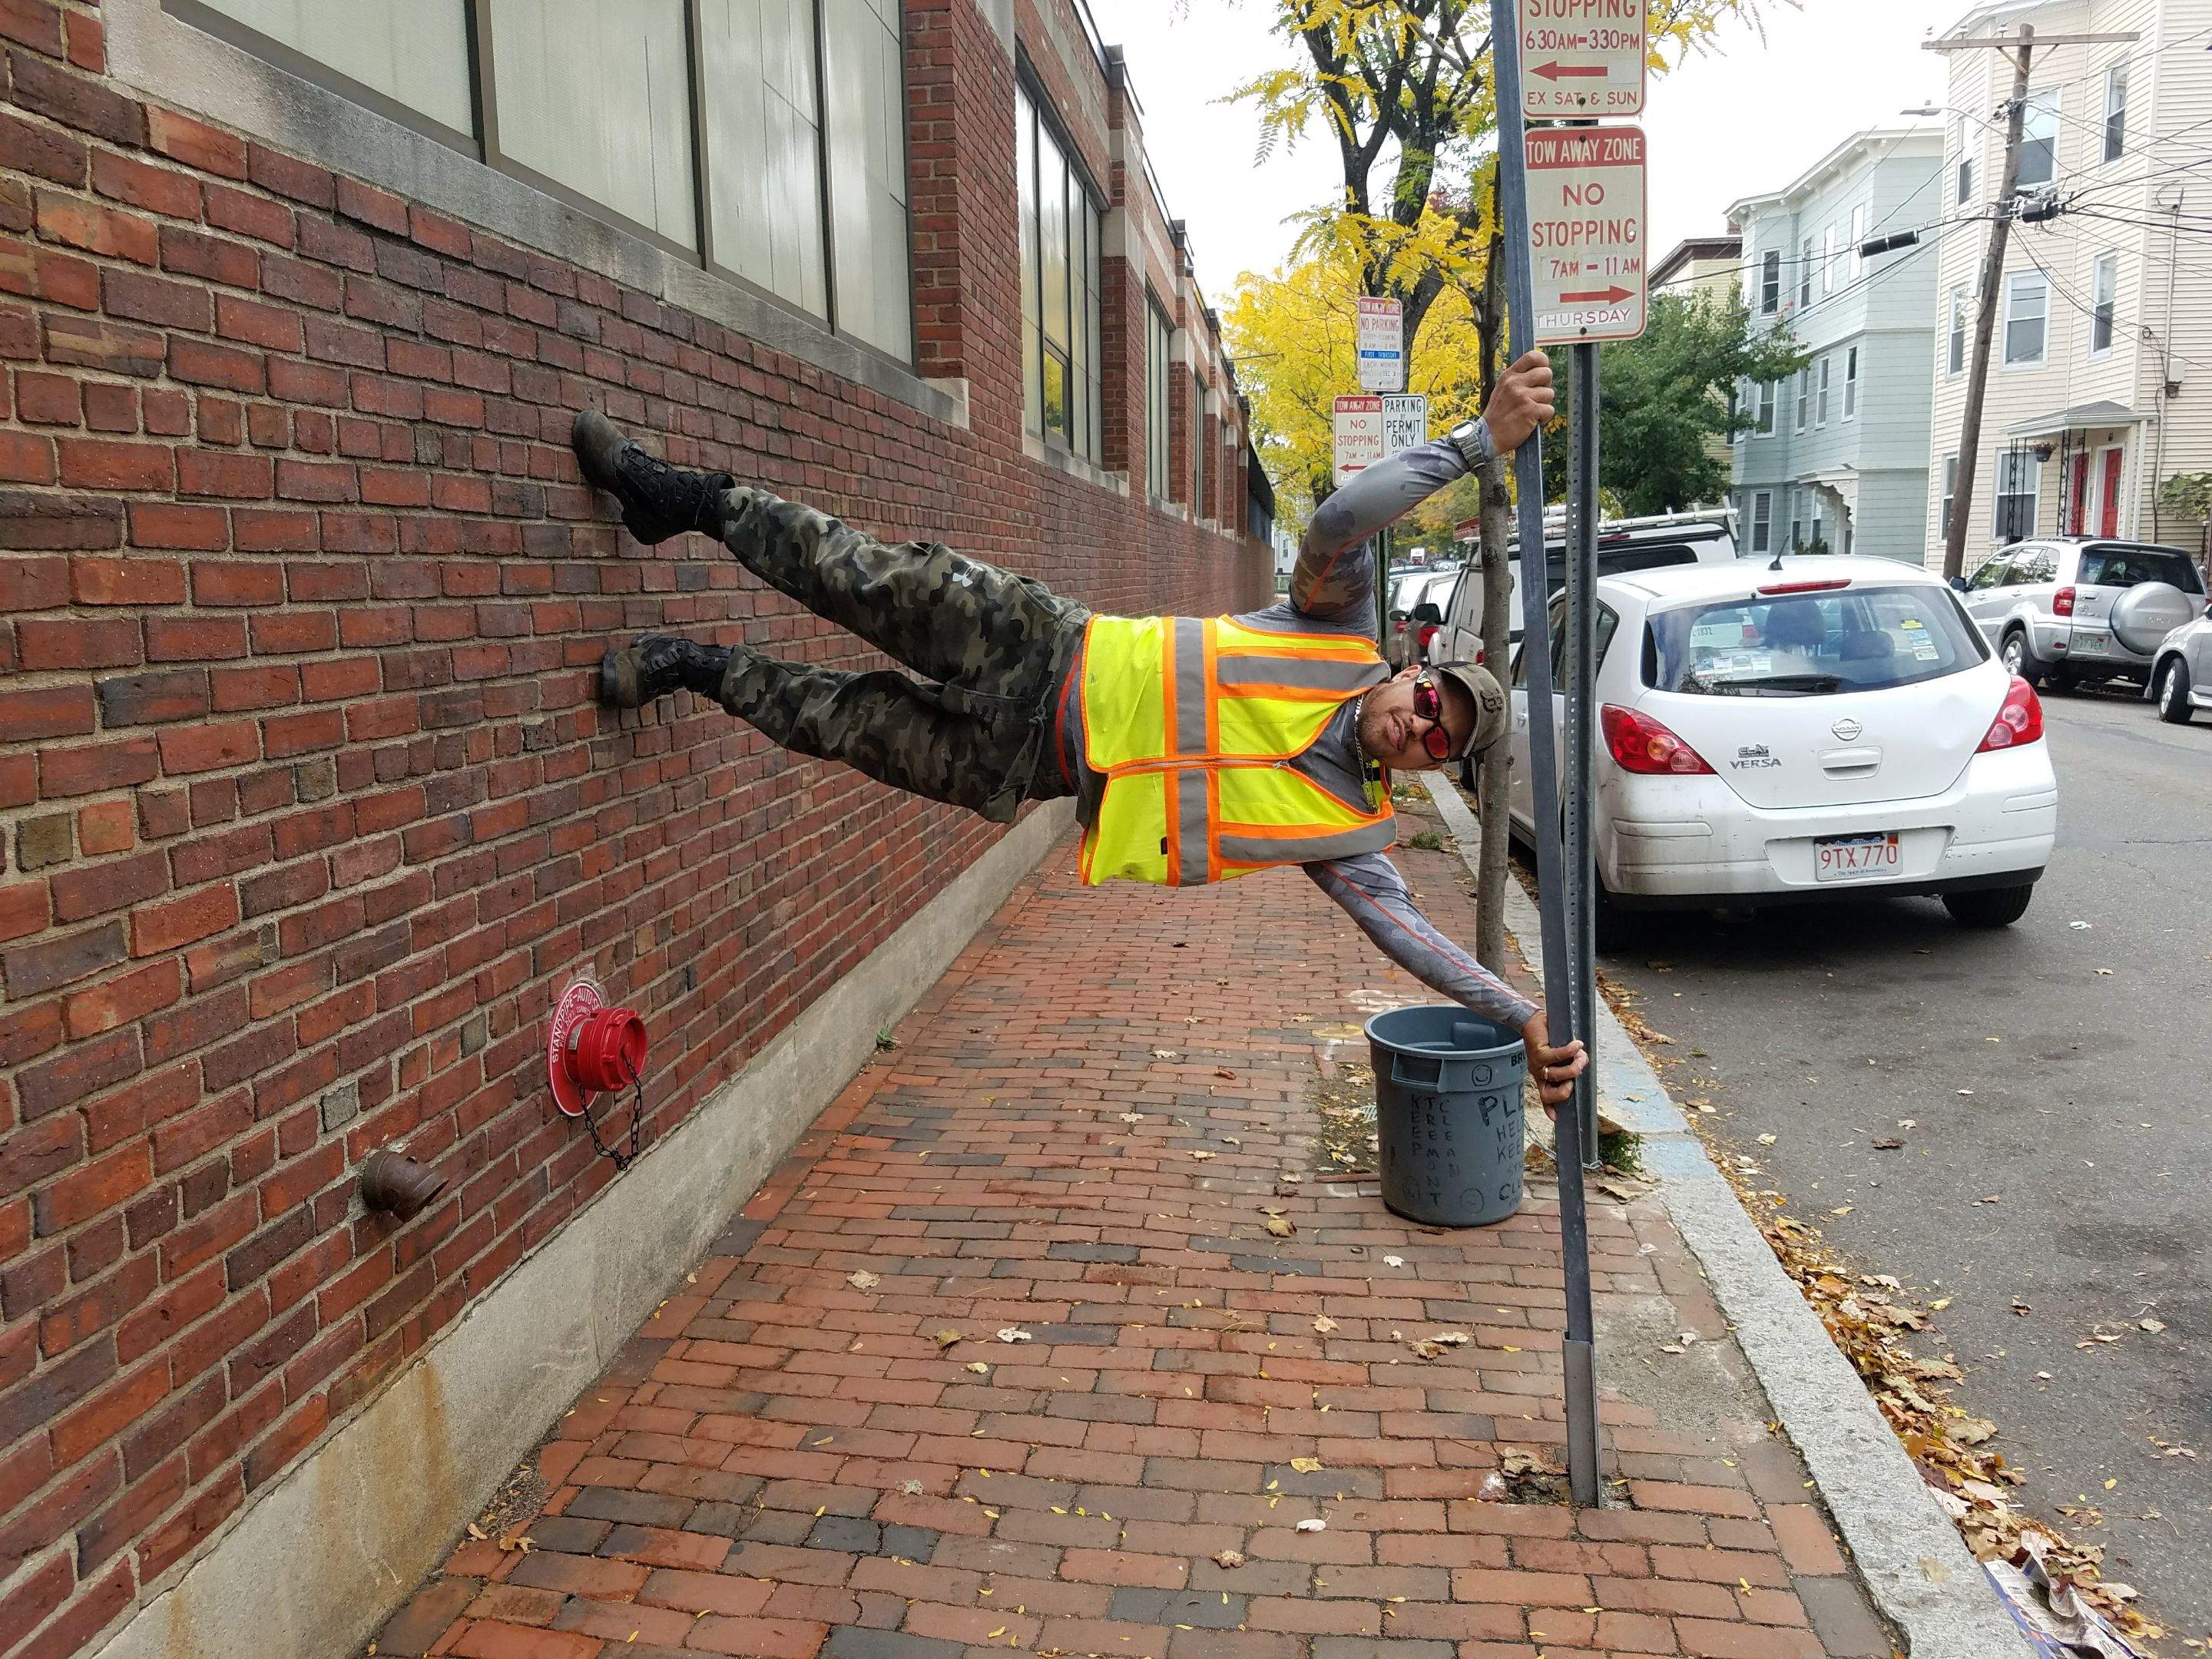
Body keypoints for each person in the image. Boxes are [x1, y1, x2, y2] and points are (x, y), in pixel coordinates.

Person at [571, 351, 1588, 1104]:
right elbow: (1336, 522)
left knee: (829, 722)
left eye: (1439, 742)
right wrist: (1475, 443)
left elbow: (1411, 941)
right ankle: (677, 500)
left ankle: (691, 667)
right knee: (846, 571)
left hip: (1028, 767)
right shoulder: (1329, 625)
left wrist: (1523, 1014)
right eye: (1428, 703)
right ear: (1411, 672)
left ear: (1432, 768)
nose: (1419, 728)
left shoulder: (1352, 834)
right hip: (1039, 643)